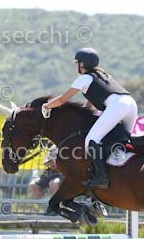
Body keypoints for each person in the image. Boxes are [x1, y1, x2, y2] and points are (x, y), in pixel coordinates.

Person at [41, 48, 137, 189]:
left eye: (78, 63)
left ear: (82, 64)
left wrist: (46, 106)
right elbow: (90, 103)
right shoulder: (104, 76)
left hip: (117, 106)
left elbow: (62, 99)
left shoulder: (84, 78)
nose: (77, 66)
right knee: (122, 138)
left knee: (91, 140)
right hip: (131, 104)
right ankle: (121, 170)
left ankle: (101, 177)